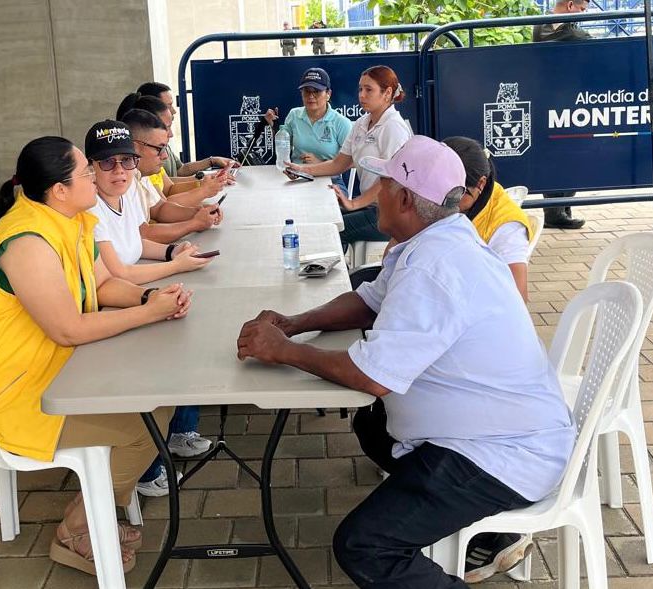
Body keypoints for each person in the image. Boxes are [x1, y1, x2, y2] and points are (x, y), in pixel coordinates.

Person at [236, 136, 575, 588]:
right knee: (373, 427)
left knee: (365, 545)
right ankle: (452, 514)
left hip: (503, 453)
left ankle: (485, 526)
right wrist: (295, 323)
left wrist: (284, 351)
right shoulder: (433, 240)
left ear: (405, 198)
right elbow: (368, 301)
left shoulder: (436, 266)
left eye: (384, 181)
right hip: (490, 430)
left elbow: (371, 376)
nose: (376, 190)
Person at [0, 136, 193, 576]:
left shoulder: (70, 222)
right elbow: (67, 329)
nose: (95, 178)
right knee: (145, 428)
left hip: (58, 372)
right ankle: (77, 529)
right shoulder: (27, 241)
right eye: (86, 172)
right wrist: (148, 314)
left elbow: (101, 286)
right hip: (18, 394)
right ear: (59, 189)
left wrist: (150, 295)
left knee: (157, 403)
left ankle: (95, 513)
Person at [286, 65, 412, 251]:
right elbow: (339, 163)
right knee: (324, 220)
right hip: (371, 207)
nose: (362, 95)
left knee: (328, 232)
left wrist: (355, 203)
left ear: (387, 94)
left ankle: (337, 277)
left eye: (369, 90)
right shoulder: (362, 122)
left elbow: (390, 178)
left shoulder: (393, 127)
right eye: (360, 89)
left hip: (391, 213)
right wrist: (302, 170)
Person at [85, 120, 212, 284]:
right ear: (90, 168)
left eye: (127, 160)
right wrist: (176, 266)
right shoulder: (90, 207)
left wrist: (172, 251)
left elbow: (134, 244)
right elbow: (119, 274)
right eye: (107, 162)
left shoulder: (127, 190)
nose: (119, 170)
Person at [444, 136, 533, 302]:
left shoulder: (507, 227)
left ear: (480, 184)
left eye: (453, 193)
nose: (442, 199)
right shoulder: (469, 198)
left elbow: (517, 299)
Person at [120, 109, 223, 244]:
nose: (165, 156)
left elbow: (160, 208)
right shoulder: (121, 182)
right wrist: (194, 223)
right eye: (159, 149)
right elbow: (143, 234)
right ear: (135, 147)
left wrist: (198, 212)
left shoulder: (141, 175)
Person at [533, 0, 590, 229]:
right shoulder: (573, 33)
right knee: (568, 151)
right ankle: (557, 212)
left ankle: (560, 210)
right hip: (566, 100)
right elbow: (583, 40)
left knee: (556, 153)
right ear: (569, 5)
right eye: (583, 9)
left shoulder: (539, 23)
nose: (585, 14)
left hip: (549, 98)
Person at [119, 93, 230, 204]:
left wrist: (206, 181)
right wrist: (203, 191)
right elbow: (163, 208)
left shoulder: (146, 171)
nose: (171, 134)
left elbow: (169, 187)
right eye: (166, 127)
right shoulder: (138, 173)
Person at [119, 82, 237, 178]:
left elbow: (178, 171)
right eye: (168, 105)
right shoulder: (140, 172)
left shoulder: (144, 171)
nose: (173, 111)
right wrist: (204, 183)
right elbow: (166, 194)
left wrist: (212, 164)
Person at [263, 67, 352, 166]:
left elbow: (353, 161)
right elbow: (284, 144)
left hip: (329, 177)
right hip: (297, 174)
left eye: (317, 91)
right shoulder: (294, 115)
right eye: (306, 91)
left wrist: (320, 164)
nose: (311, 96)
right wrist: (273, 125)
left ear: (328, 94)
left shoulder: (341, 123)